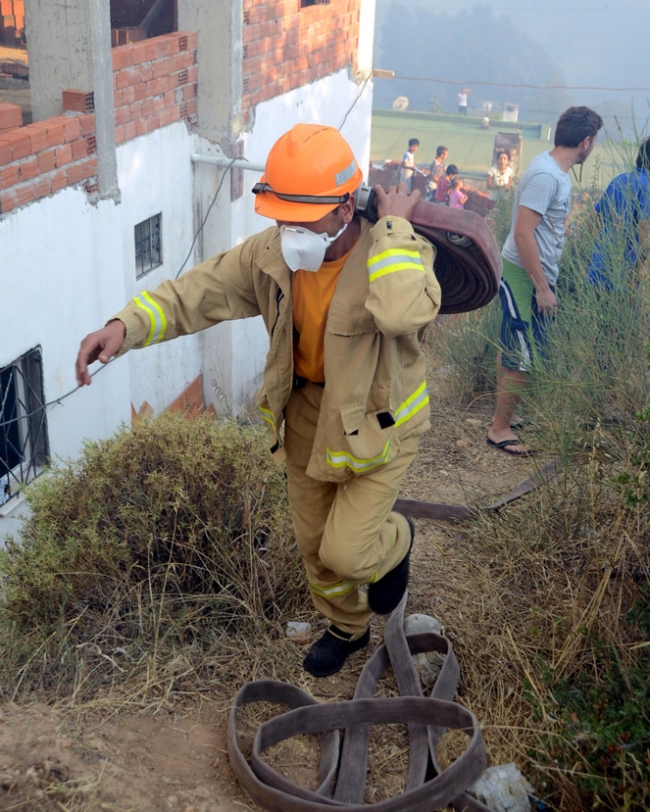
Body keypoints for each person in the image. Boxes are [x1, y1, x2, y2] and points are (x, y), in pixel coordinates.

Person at [75, 124, 442, 677]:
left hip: (379, 421)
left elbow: (397, 313)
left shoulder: (397, 251)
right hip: (306, 416)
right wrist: (125, 327)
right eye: (279, 216)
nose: (286, 230)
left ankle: (398, 539)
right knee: (315, 546)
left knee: (348, 551)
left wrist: (392, 225)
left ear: (347, 209)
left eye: (300, 218)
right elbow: (197, 292)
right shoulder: (273, 255)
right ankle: (346, 625)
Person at [487, 106, 603, 456]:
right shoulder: (547, 176)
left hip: (530, 272)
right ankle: (499, 428)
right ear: (586, 141)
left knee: (518, 345)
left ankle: (508, 413)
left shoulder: (551, 170)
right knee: (521, 352)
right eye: (594, 141)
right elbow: (523, 234)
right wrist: (542, 287)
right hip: (524, 274)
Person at [588, 138, 650, 291]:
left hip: (598, 269)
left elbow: (593, 222)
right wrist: (639, 271)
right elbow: (645, 232)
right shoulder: (648, 187)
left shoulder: (620, 180)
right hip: (627, 279)